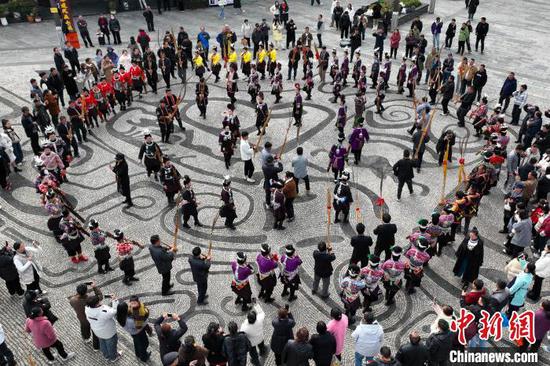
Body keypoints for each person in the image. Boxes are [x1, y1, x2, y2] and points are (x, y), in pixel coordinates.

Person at [68, 282, 102, 350]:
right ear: (86, 291)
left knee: (84, 328)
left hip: (82, 319)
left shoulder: (72, 300)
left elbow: (75, 297)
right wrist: (95, 287)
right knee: (95, 332)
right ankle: (96, 346)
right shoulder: (90, 299)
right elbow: (100, 296)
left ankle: (86, 338)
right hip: (93, 319)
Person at [116, 297, 151, 362]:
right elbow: (140, 326)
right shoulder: (130, 321)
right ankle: (144, 357)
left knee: (137, 343)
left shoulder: (118, 316)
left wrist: (115, 299)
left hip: (132, 333)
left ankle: (138, 354)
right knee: (144, 344)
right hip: (138, 332)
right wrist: (145, 320)